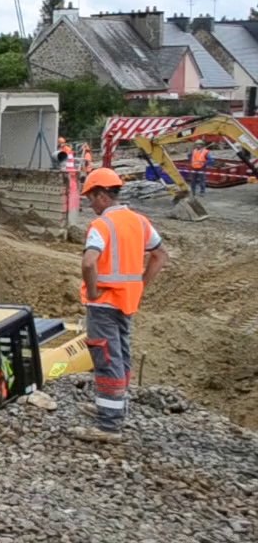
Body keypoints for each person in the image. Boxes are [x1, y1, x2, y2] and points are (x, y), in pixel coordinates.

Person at [71, 168, 169, 443]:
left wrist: (92, 291)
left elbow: (89, 262)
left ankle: (108, 425)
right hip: (126, 302)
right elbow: (161, 256)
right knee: (121, 356)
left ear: (102, 195)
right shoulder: (139, 222)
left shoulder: (102, 225)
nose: (90, 205)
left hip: (103, 304)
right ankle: (111, 406)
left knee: (106, 360)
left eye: (91, 198)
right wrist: (139, 285)